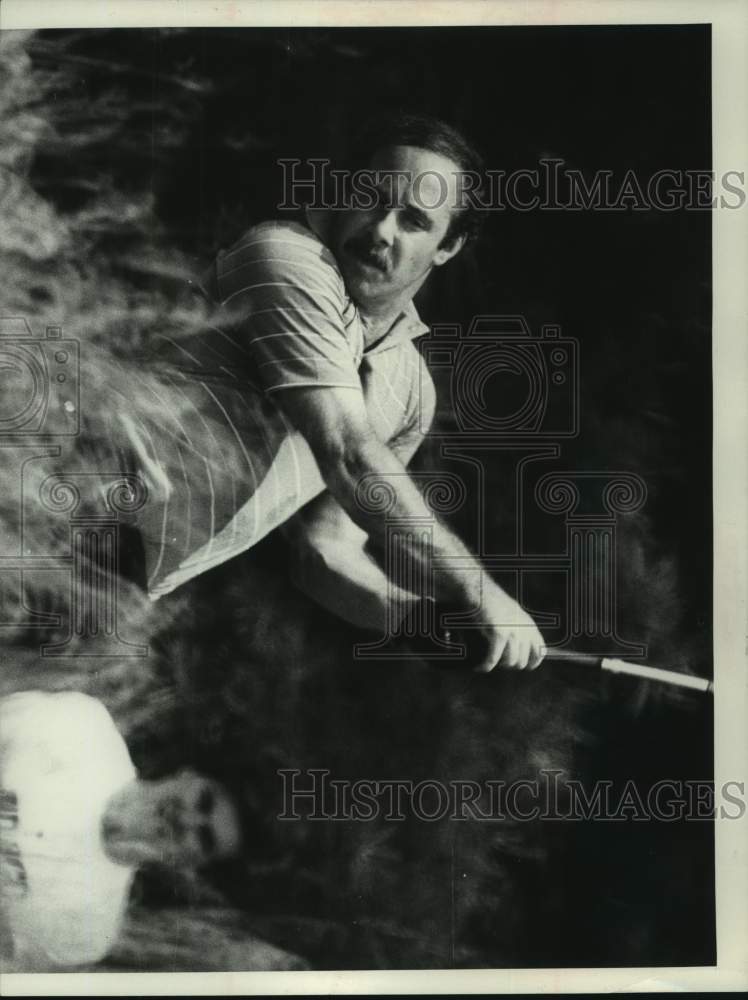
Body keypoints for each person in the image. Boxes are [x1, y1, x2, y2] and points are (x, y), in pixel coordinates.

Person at [121, 113, 544, 674]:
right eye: (373, 199)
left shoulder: (411, 391)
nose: (382, 230)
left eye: (414, 220)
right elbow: (346, 451)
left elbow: (324, 552)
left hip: (111, 586)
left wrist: (412, 619)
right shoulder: (286, 258)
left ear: (449, 246)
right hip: (51, 517)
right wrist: (479, 592)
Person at [0, 690, 242, 969]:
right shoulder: (82, 727)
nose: (187, 820)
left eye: (204, 838)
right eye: (203, 801)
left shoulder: (86, 933)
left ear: (191, 865)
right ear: (188, 774)